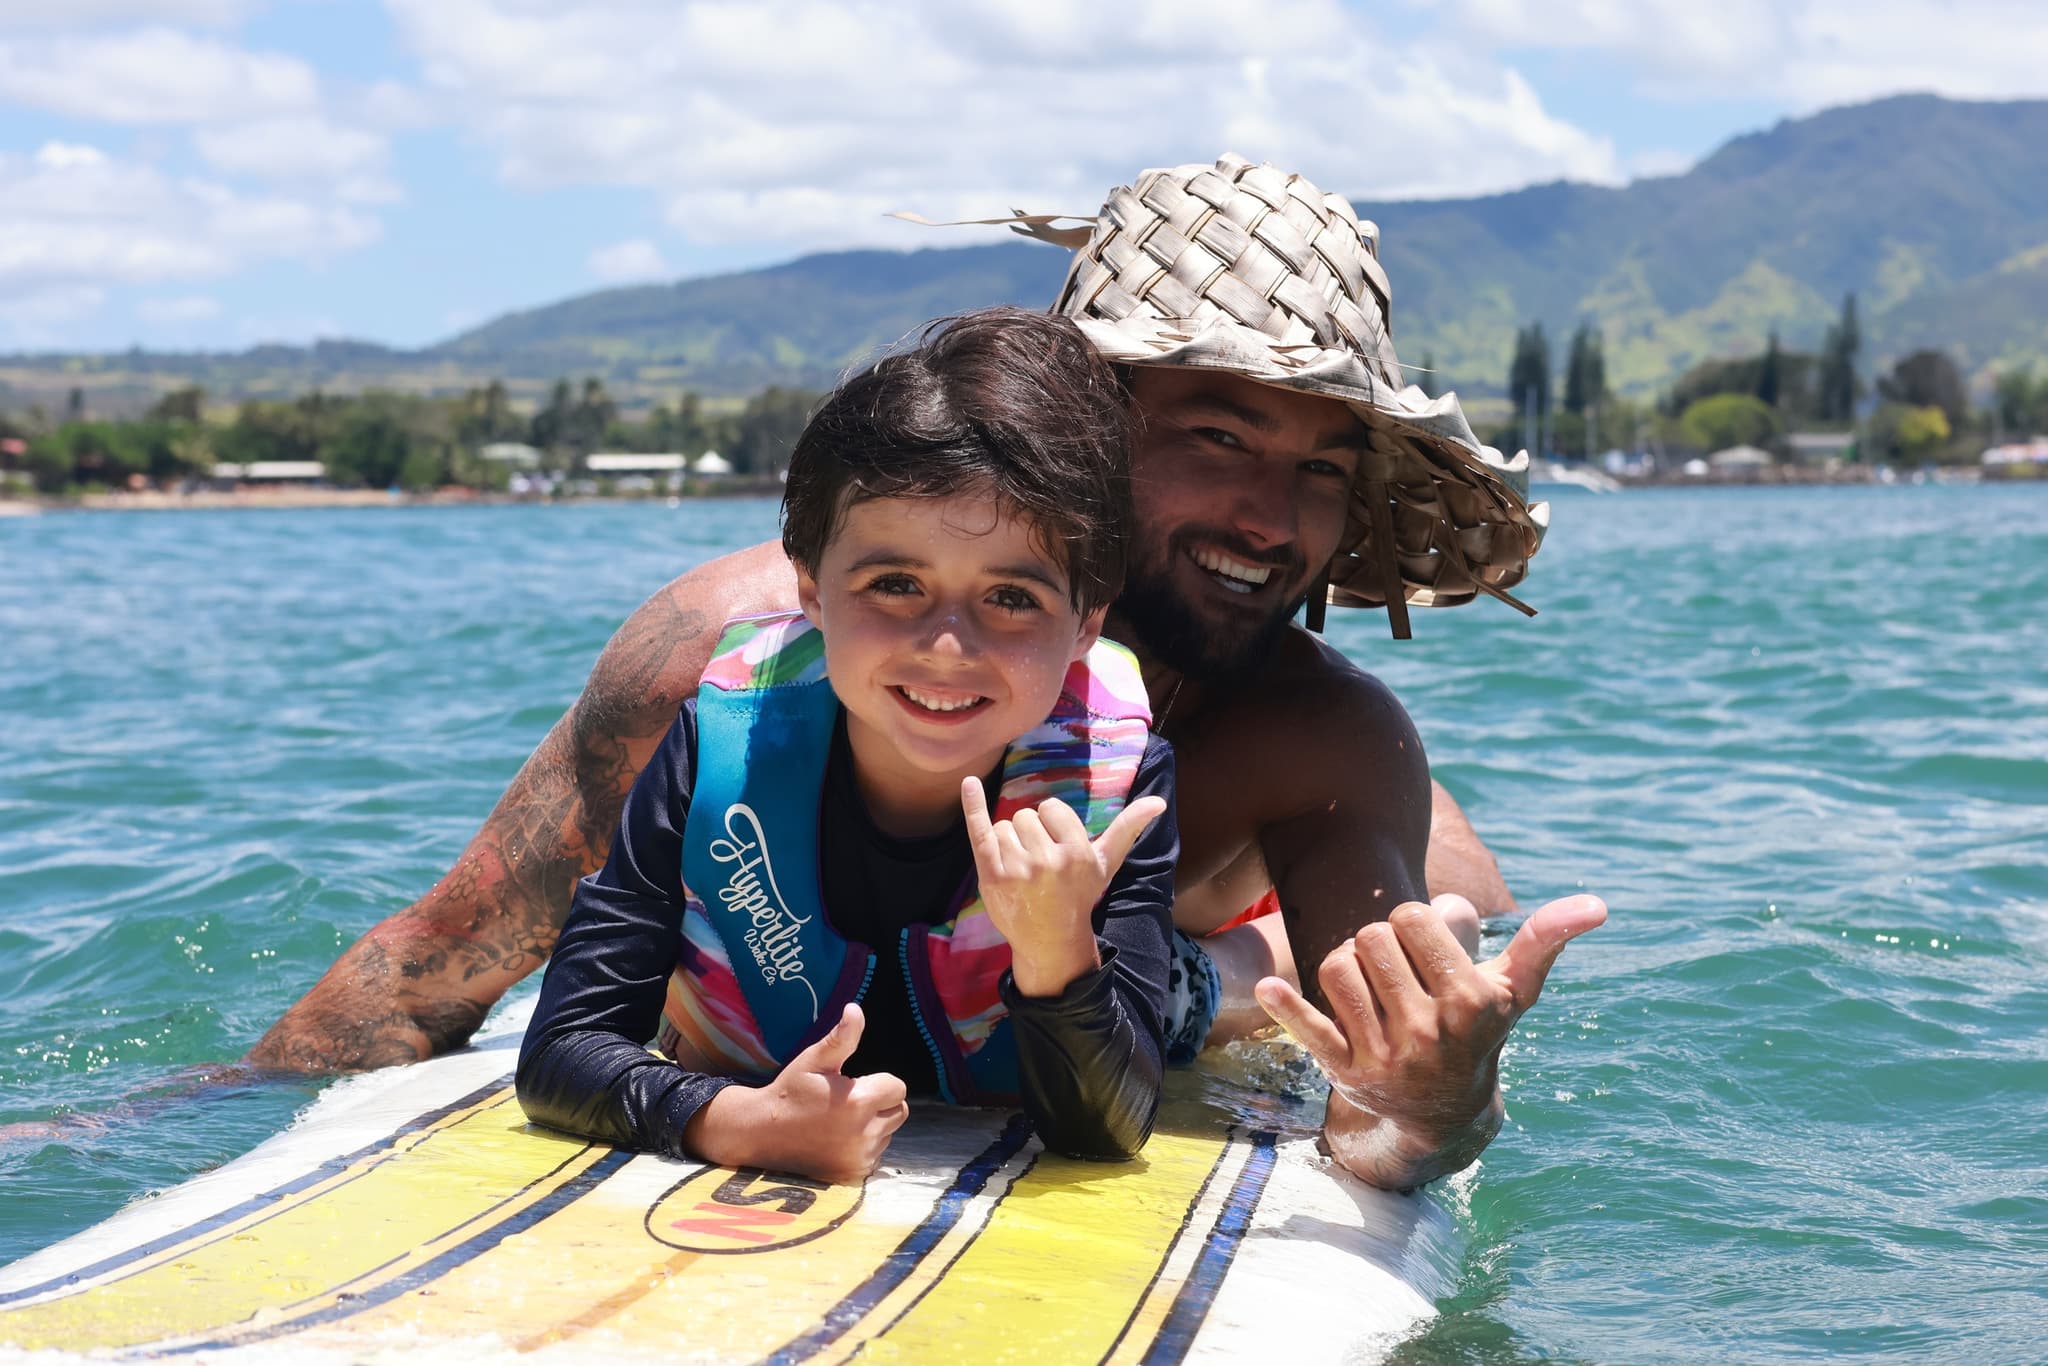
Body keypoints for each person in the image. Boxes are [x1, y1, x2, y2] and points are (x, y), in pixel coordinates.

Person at [252, 154, 1606, 1192]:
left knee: (1342, 953)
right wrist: (161, 1137)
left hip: (1144, 977)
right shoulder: (718, 662)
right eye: (1218, 436)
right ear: (1078, 429)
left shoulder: (1320, 738)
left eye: (1320, 467)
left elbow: (1381, 1117)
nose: (1269, 516)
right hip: (789, 967)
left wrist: (1437, 1094)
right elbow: (434, 968)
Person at [514, 309, 1174, 1183]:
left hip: (1101, 990)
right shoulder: (719, 747)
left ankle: (1242, 963)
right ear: (810, 587)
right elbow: (562, 1049)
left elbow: (1108, 1131)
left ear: (1088, 620)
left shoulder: (1117, 788)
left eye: (1012, 598)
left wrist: (1058, 951)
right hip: (752, 1043)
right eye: (894, 584)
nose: (948, 647)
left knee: (1194, 1000)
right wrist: (727, 1120)